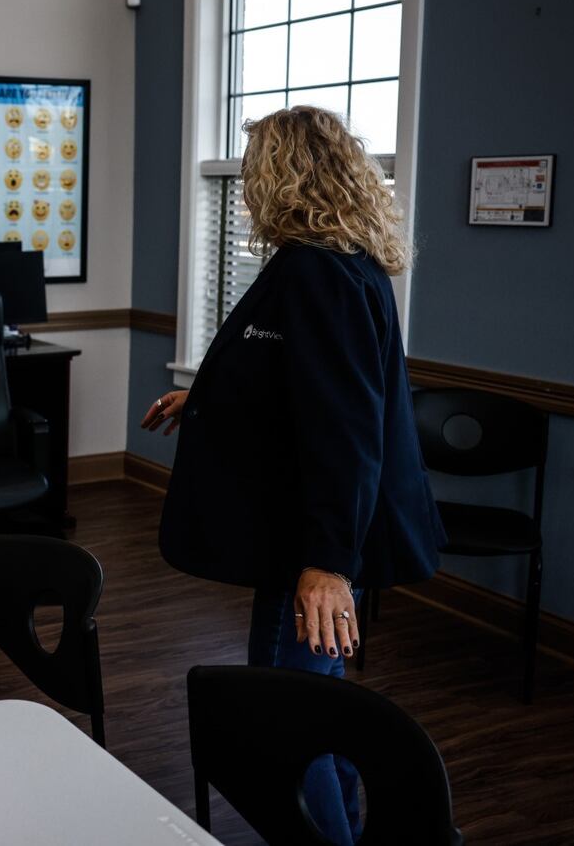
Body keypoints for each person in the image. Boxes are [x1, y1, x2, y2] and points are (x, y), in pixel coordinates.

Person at [142, 105, 445, 845]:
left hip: (309, 547)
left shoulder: (320, 273)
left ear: (283, 174)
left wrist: (325, 565)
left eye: (253, 171)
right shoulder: (332, 261)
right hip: (307, 538)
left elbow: (345, 430)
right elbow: (294, 380)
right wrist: (206, 394)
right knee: (316, 700)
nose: (244, 187)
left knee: (286, 714)